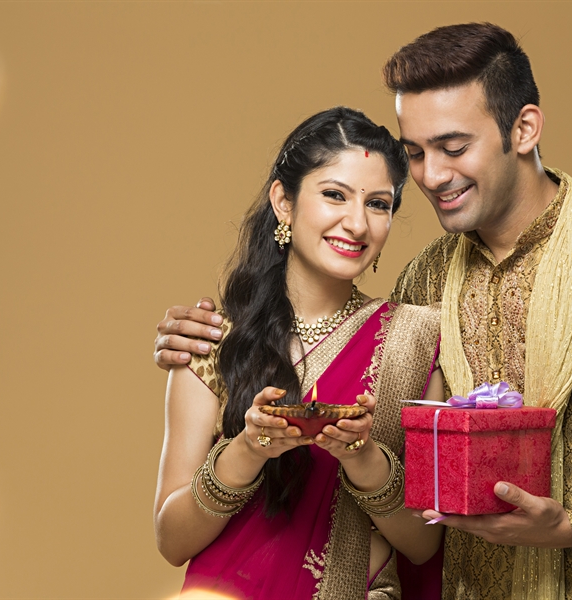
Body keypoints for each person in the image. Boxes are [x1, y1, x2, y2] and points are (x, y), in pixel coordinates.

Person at [153, 23, 572, 600]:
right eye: (416, 154)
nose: (432, 176)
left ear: (523, 129)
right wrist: (209, 344)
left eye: (452, 147)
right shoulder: (425, 281)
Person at [153, 106, 445, 600]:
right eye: (335, 195)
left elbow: (423, 545)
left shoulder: (416, 341)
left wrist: (363, 457)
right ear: (283, 202)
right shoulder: (213, 343)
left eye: (378, 204)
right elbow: (172, 541)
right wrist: (247, 450)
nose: (357, 223)